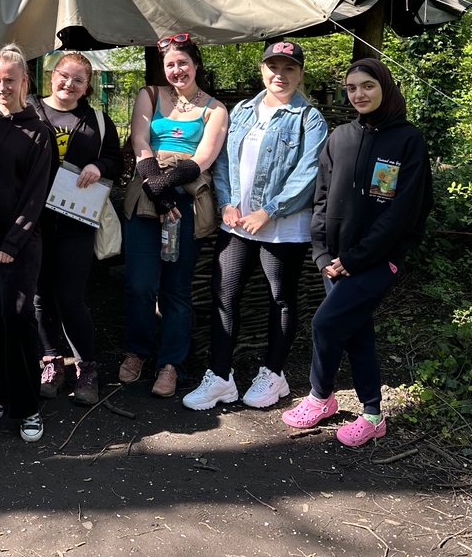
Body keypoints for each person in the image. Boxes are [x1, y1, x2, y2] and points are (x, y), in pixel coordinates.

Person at [282, 58, 432, 446]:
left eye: (367, 86)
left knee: (326, 324)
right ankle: (372, 414)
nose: (359, 94)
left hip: (377, 260)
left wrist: (356, 259)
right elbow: (320, 199)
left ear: (384, 86)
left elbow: (402, 212)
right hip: (334, 261)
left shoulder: (407, 140)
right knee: (357, 331)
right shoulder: (340, 138)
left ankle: (320, 395)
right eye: (351, 88)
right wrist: (321, 255)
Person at [183, 41, 328, 411]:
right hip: (237, 226)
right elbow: (225, 163)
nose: (280, 75)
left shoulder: (309, 119)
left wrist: (270, 210)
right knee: (223, 294)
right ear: (262, 69)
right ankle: (220, 377)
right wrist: (228, 203)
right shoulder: (244, 111)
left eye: (289, 69)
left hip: (282, 227)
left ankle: (273, 374)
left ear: (300, 73)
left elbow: (308, 174)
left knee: (280, 298)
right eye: (273, 67)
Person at [120, 33, 228, 398]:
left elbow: (204, 157)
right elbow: (139, 140)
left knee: (176, 288)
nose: (177, 70)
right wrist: (155, 182)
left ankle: (171, 363)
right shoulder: (149, 95)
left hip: (186, 199)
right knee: (139, 283)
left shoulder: (215, 109)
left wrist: (170, 186)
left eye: (183, 63)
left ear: (196, 65)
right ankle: (137, 351)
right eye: (170, 65)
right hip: (147, 197)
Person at [0, 44, 54, 442]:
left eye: (9, 80)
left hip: (18, 240)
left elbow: (36, 194)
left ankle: (28, 405)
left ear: (24, 82)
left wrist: (13, 240)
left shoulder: (38, 130)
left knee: (18, 317)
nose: (2, 87)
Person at [31, 52, 123, 406]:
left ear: (87, 87)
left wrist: (99, 167)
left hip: (76, 221)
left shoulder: (97, 121)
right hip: (34, 223)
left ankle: (87, 368)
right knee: (40, 298)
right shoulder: (29, 111)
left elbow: (116, 159)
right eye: (63, 76)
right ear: (52, 76)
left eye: (78, 80)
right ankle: (51, 362)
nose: (69, 84)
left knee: (71, 297)